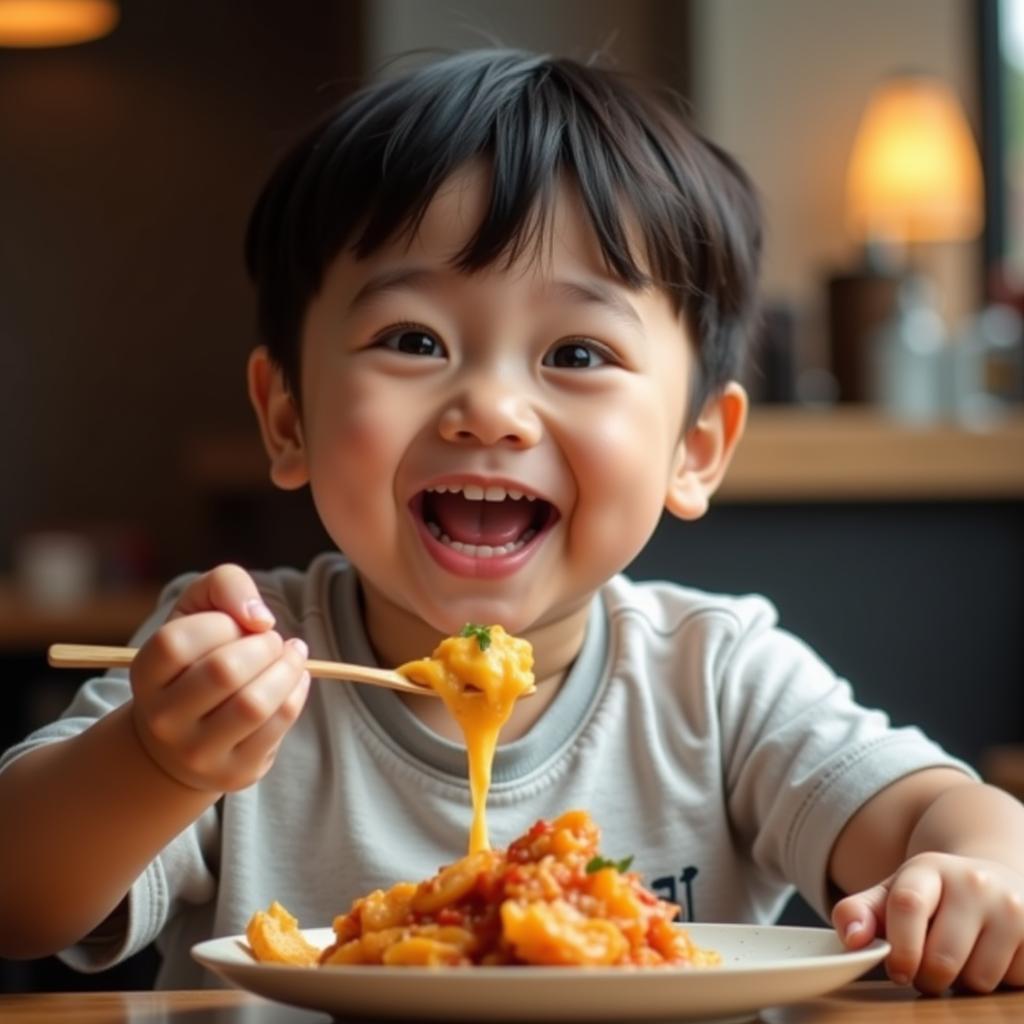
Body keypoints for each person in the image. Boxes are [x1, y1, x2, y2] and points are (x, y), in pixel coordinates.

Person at [2, 49, 1023, 995]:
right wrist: (159, 760)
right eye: (412, 338)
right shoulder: (238, 661)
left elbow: (944, 815)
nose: (489, 408)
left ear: (696, 445)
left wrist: (975, 871)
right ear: (286, 415)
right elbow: (19, 898)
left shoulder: (716, 680)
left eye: (575, 353)